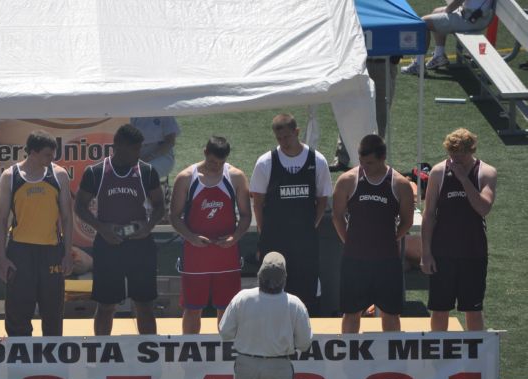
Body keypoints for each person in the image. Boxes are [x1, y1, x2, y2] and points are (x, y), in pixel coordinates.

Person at [74, 123, 165, 335]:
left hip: (140, 246)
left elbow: (160, 205)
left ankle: (148, 352)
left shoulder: (147, 171)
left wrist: (149, 225)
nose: (138, 153)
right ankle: (101, 353)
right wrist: (102, 228)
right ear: (118, 146)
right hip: (108, 246)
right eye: (134, 148)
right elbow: (79, 206)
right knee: (106, 306)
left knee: (144, 305)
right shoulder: (95, 172)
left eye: (139, 148)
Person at [250, 113, 332, 316]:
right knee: (271, 291)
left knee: (306, 291)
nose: (283, 143)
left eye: (287, 137)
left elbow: (323, 199)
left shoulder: (317, 160)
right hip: (274, 240)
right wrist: (264, 232)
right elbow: (258, 202)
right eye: (279, 139)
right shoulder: (265, 162)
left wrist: (312, 224)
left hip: (305, 241)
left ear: (297, 132)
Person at [332, 134, 414, 333]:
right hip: (355, 260)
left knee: (391, 314)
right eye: (361, 162)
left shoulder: (400, 184)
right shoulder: (347, 180)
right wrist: (349, 241)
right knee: (351, 313)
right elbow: (337, 217)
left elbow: (407, 221)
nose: (364, 167)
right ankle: (350, 360)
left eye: (370, 163)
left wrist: (391, 239)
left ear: (382, 158)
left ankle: (391, 361)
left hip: (387, 261)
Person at [0, 131, 74, 336]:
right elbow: (1, 219)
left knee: (53, 312)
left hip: (51, 252)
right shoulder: (10, 176)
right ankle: (18, 361)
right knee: (18, 312)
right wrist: (1, 258)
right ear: (32, 153)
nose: (52, 159)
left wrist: (67, 254)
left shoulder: (59, 175)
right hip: (20, 252)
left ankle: (53, 362)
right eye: (48, 155)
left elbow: (67, 218)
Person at [170, 136, 251, 334]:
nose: (217, 167)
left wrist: (235, 238)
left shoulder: (236, 177)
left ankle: (226, 353)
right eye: (213, 162)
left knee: (227, 308)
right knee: (192, 308)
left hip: (226, 255)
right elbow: (174, 216)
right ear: (205, 152)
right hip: (195, 255)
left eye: (221, 163)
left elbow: (246, 215)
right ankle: (189, 351)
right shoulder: (186, 178)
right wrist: (191, 238)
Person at [421, 128, 496, 331]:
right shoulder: (438, 172)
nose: (455, 161)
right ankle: (438, 358)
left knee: (473, 310)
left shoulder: (486, 172)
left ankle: (476, 358)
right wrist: (426, 253)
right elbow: (428, 215)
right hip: (442, 253)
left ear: (471, 151)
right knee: (439, 309)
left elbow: (483, 208)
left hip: (473, 253)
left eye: (460, 157)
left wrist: (464, 179)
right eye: (451, 156)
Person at [332, 56, 399, 171]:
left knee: (380, 116)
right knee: (348, 112)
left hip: (384, 63)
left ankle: (375, 158)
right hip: (358, 63)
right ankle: (341, 158)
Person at [401, 0, 494, 75]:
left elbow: (458, 1)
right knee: (436, 12)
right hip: (479, 17)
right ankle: (439, 55)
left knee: (423, 23)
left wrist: (446, 12)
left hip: (470, 19)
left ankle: (419, 65)